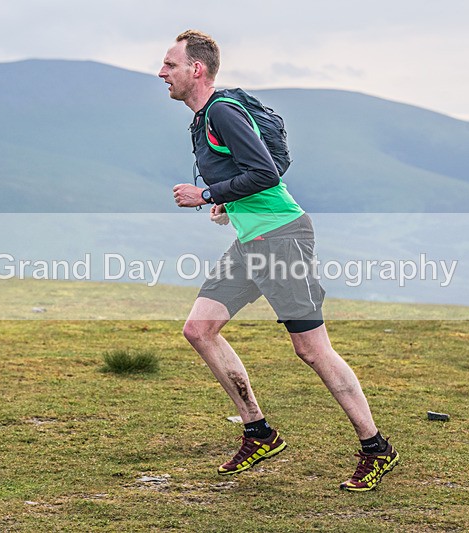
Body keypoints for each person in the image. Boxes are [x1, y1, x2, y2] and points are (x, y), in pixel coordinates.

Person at [159, 29, 399, 491]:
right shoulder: (206, 117)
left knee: (311, 348)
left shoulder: (222, 112)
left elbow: (264, 172)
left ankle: (376, 447)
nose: (161, 72)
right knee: (198, 329)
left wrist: (205, 193)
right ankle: (259, 431)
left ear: (197, 69)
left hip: (281, 239)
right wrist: (228, 202)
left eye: (170, 65)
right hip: (252, 241)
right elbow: (249, 175)